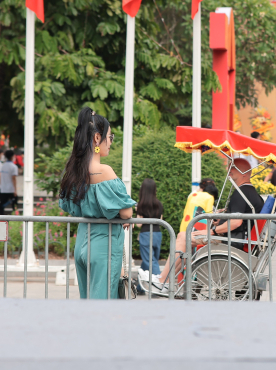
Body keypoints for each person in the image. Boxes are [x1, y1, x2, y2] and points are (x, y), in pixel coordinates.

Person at [141, 159, 264, 293]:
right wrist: (221, 218)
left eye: (232, 170)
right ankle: (165, 280)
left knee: (183, 237)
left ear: (244, 173)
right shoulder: (253, 194)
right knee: (184, 236)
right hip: (239, 239)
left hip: (232, 241)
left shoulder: (241, 193)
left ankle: (162, 281)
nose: (229, 174)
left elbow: (236, 222)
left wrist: (214, 231)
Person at [59, 108, 136, 299]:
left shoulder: (74, 172)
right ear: (97, 139)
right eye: (110, 137)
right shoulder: (104, 171)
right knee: (103, 307)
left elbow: (69, 206)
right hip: (104, 245)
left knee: (88, 304)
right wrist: (122, 215)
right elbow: (126, 213)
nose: (110, 142)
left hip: (82, 243)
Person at [135, 178, 164, 280]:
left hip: (146, 234)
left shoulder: (141, 205)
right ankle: (140, 288)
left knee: (150, 261)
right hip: (157, 234)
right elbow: (161, 220)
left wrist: (137, 211)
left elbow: (138, 224)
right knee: (150, 260)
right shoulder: (159, 204)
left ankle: (158, 284)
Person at [0, 150, 19, 214]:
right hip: (11, 189)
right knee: (14, 204)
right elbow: (13, 179)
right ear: (12, 156)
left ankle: (1, 219)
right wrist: (15, 190)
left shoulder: (3, 166)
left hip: (3, 189)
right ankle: (15, 216)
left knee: (2, 206)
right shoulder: (13, 167)